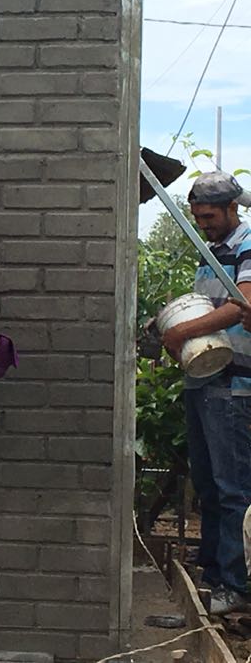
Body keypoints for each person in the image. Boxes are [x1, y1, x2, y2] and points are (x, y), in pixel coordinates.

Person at [160, 171, 251, 615]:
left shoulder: (247, 243)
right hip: (205, 379)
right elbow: (213, 307)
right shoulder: (212, 249)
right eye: (197, 217)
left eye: (209, 217)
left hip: (233, 385)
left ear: (233, 208)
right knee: (210, 486)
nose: (203, 224)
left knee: (233, 489)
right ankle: (214, 573)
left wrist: (182, 332)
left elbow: (243, 302)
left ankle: (235, 584)